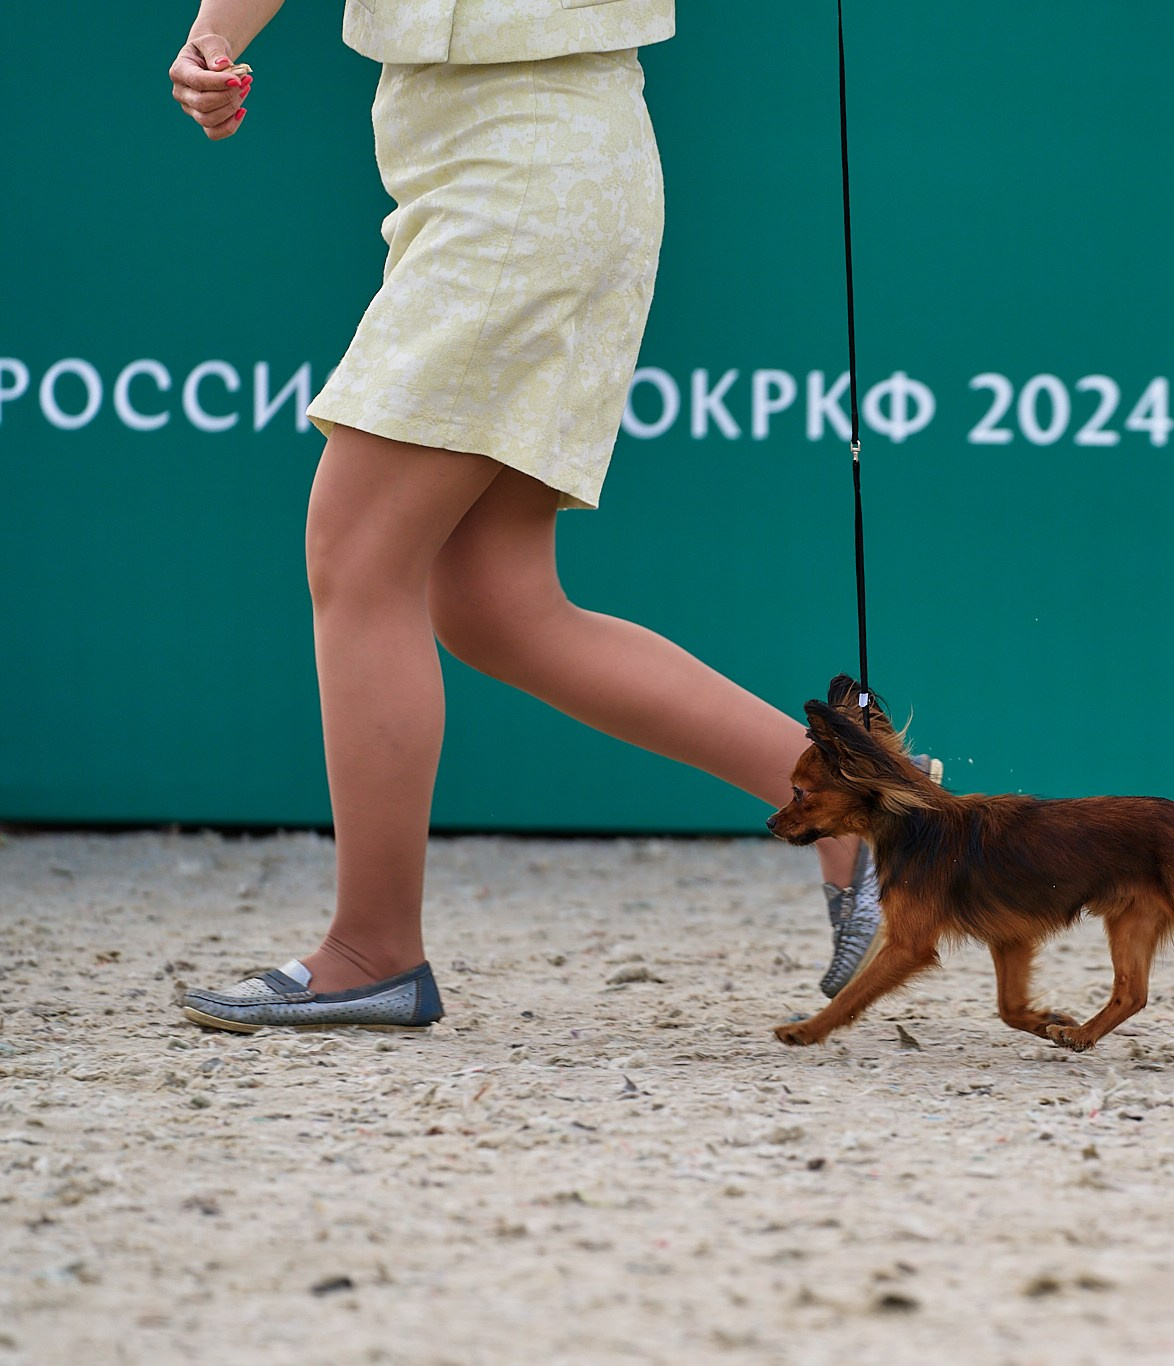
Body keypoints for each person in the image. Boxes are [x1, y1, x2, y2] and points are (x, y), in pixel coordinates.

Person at [168, 0, 907, 1032]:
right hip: (492, 158)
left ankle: (370, 949)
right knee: (495, 605)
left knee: (358, 551)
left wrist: (219, 34)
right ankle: (848, 798)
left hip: (532, 164)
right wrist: (215, 34)